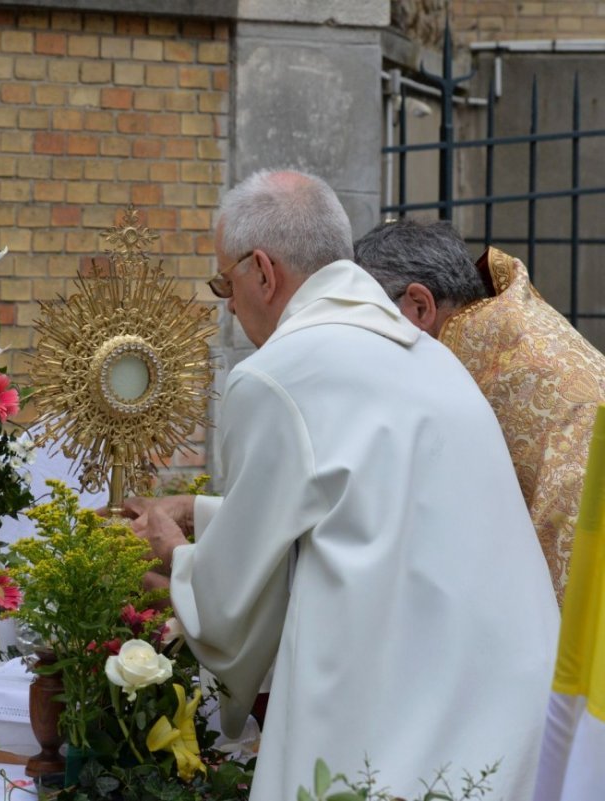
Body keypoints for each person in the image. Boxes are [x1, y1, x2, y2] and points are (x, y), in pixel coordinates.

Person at [124, 170, 558, 801]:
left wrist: (174, 559)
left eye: (225, 284)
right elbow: (370, 513)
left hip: (402, 730)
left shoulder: (276, 375)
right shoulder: (427, 352)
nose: (229, 304)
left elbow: (230, 602)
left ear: (262, 273)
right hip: (509, 717)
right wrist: (202, 514)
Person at [355, 218, 605, 603]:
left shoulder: (513, 369)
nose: (363, 344)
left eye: (368, 322)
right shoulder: (501, 335)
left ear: (419, 306)